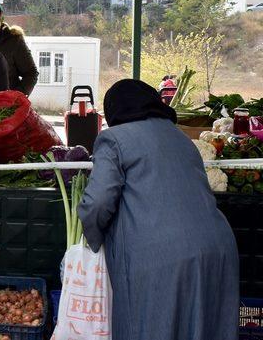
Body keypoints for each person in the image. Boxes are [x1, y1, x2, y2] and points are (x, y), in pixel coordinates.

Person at [77, 79, 239, 340]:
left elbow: (98, 201)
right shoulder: (181, 137)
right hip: (218, 249)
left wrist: (90, 240)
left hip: (161, 258)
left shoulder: (114, 139)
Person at [0, 1, 38, 96]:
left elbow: (31, 73)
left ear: (1, 19)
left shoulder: (14, 40)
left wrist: (16, 97)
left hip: (7, 104)